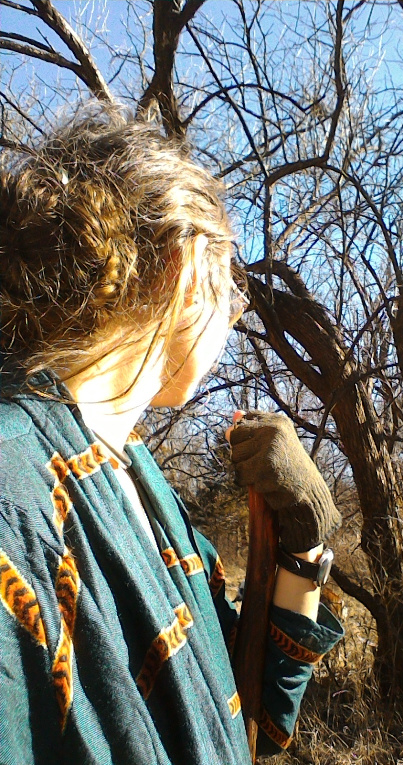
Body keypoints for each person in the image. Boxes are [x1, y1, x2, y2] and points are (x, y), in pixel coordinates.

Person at [0, 105, 342, 765]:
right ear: (185, 266)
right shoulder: (13, 493)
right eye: (230, 288)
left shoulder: (134, 479)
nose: (231, 319)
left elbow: (251, 723)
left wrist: (303, 546)